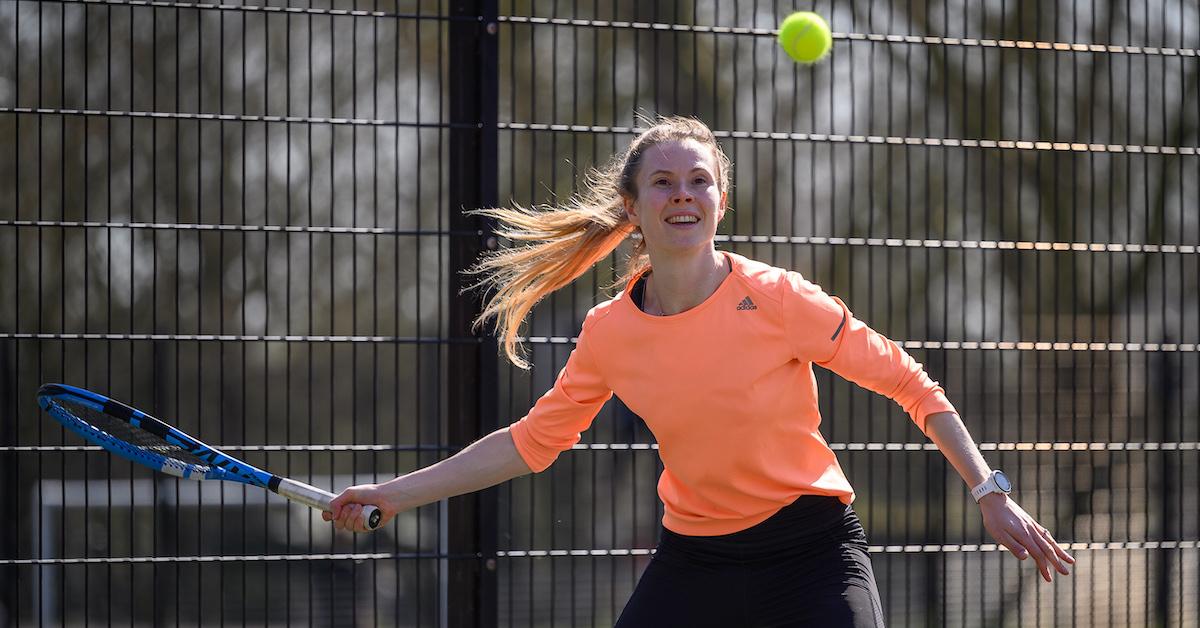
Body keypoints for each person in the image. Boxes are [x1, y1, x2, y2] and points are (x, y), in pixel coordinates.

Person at [325, 116, 1075, 626]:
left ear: (720, 200)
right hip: (696, 561)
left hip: (813, 552)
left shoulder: (779, 298)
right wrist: (393, 494)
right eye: (662, 182)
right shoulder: (610, 331)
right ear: (635, 206)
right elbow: (530, 443)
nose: (682, 193)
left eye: (698, 181)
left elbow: (912, 383)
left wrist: (990, 490)